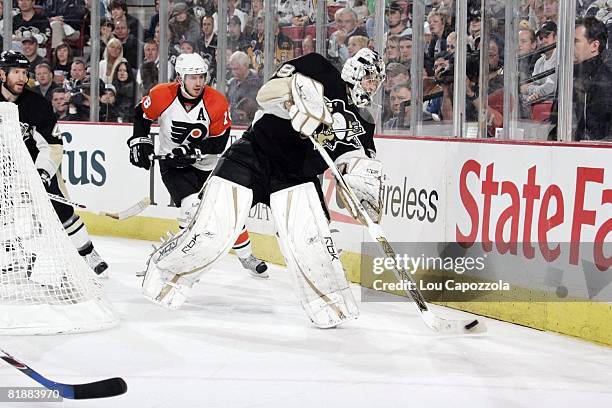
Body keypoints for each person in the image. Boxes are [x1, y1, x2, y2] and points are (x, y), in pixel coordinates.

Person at [140, 49, 386, 328]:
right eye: (369, 79)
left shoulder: (363, 122)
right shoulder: (316, 66)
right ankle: (165, 274)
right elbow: (267, 94)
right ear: (355, 71)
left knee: (312, 244)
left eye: (376, 82)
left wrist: (360, 181)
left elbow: (352, 163)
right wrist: (296, 100)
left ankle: (329, 305)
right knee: (213, 230)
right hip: (253, 155)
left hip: (297, 176)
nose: (372, 86)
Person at [128, 53, 268, 278]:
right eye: (192, 77)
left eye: (202, 77)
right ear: (180, 78)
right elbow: (141, 115)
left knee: (227, 212)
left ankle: (246, 256)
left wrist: (191, 150)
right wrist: (139, 140)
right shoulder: (162, 94)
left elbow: (220, 141)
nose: (199, 82)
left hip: (208, 166)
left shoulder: (216, 101)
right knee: (191, 209)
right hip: (173, 167)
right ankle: (178, 261)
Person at [0, 50, 108, 275]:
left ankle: (88, 252)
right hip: (4, 168)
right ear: (2, 74)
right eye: (16, 72)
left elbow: (53, 144)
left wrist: (43, 173)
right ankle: (14, 255)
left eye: (24, 72)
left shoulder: (36, 104)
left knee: (62, 210)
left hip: (35, 166)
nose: (22, 78)